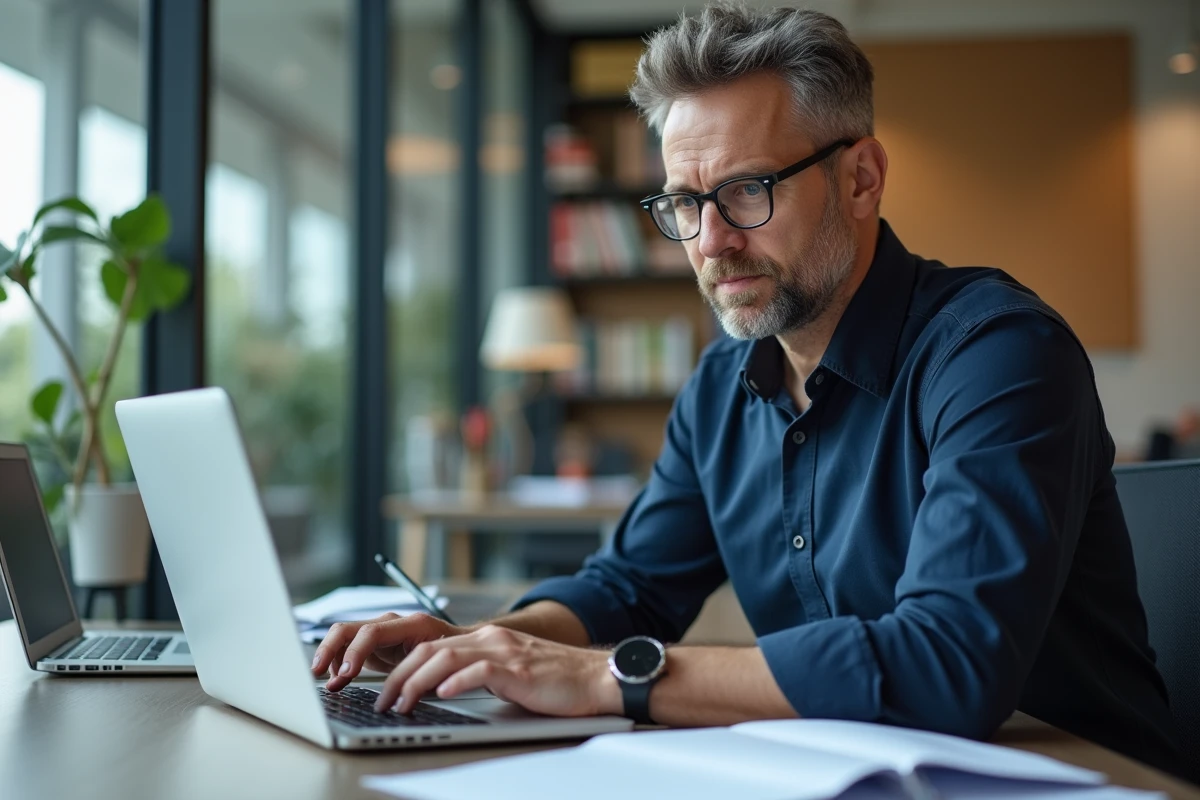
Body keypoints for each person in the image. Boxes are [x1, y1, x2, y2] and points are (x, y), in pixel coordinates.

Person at [312, 3, 1180, 772]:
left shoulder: (999, 356)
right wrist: (478, 645)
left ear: (861, 179)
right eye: (685, 202)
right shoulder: (722, 386)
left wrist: (602, 676)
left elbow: (946, 665)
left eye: (746, 191)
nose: (710, 240)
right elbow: (630, 588)